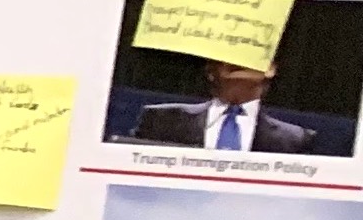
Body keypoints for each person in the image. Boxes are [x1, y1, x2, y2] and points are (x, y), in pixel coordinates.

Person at [130, 59, 343, 155]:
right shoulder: (160, 119)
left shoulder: (295, 139)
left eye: (253, 55)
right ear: (211, 69)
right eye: (233, 55)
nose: (243, 61)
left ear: (272, 70)